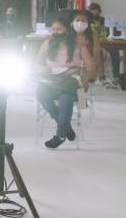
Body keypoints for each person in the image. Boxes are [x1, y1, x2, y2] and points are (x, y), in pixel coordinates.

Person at [34, 16, 95, 149]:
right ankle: (66, 127)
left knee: (66, 99)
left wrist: (85, 80)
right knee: (41, 94)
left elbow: (91, 65)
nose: (55, 32)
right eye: (53, 29)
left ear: (67, 30)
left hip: (70, 80)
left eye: (59, 29)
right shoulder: (48, 43)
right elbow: (37, 62)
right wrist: (42, 67)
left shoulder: (78, 46)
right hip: (51, 79)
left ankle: (61, 135)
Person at [72, 11, 100, 91]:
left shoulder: (93, 37)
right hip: (71, 66)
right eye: (77, 20)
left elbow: (96, 57)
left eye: (83, 21)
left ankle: (81, 100)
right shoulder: (68, 36)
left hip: (87, 66)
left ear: (88, 24)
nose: (80, 22)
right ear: (72, 22)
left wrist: (89, 67)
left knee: (81, 83)